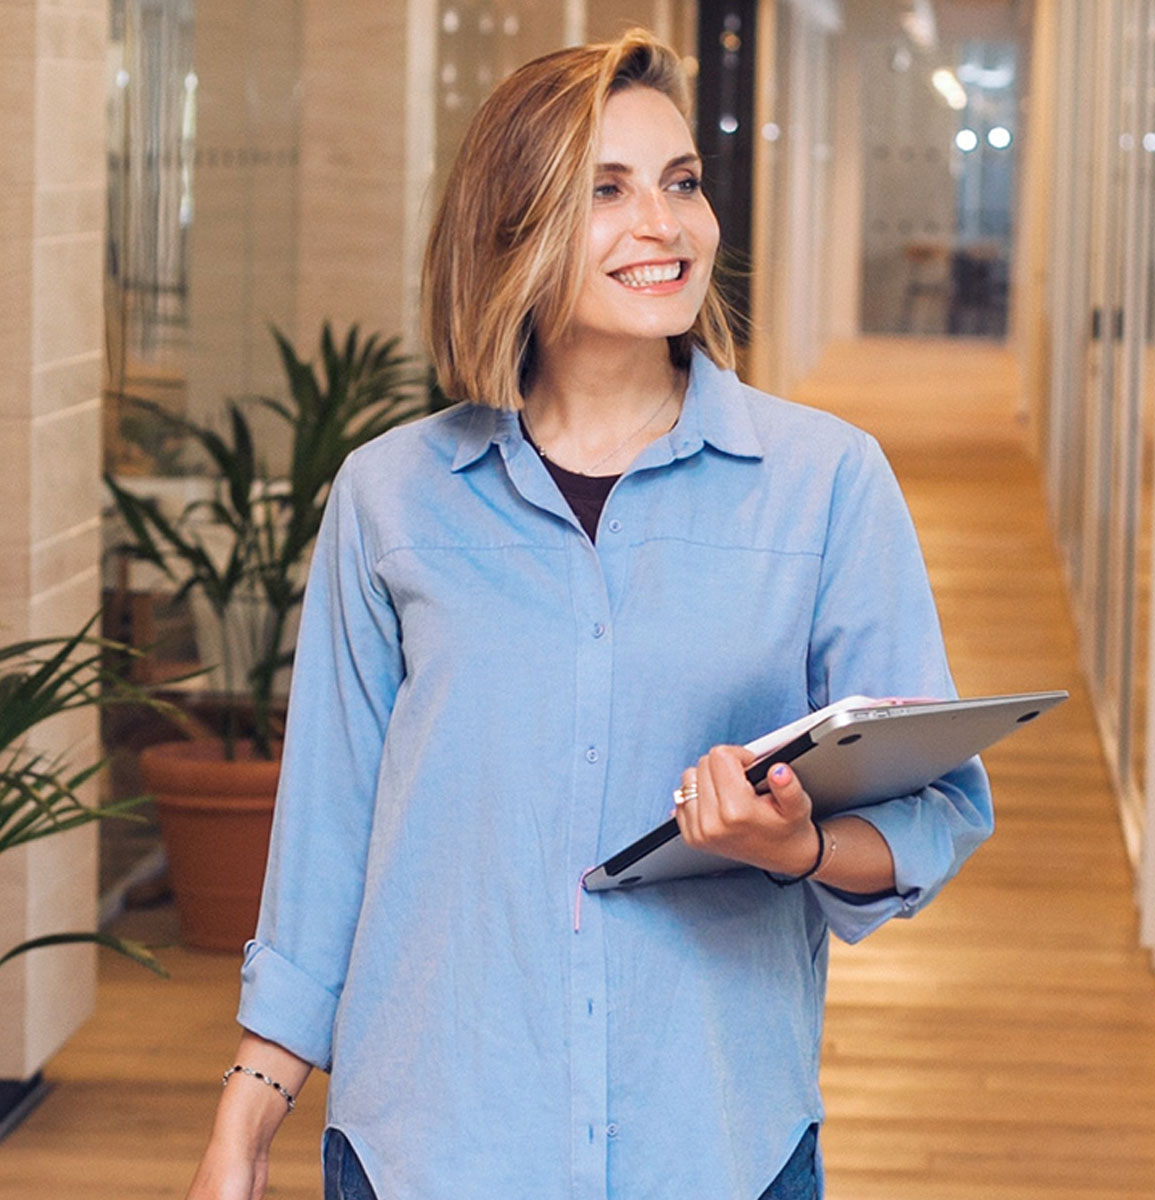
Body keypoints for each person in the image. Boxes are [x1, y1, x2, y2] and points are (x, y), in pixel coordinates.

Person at [186, 28, 993, 1200]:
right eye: (604, 191)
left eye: (681, 183)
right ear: (512, 226)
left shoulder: (826, 484)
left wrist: (797, 845)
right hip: (431, 1143)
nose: (662, 225)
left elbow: (934, 812)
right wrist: (245, 1121)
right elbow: (327, 839)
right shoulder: (391, 498)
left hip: (713, 1143)